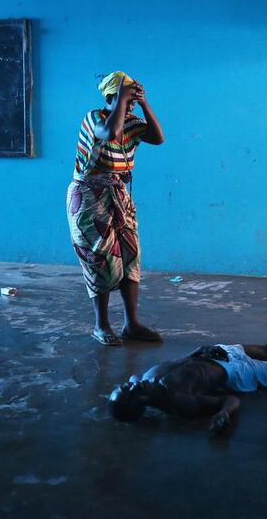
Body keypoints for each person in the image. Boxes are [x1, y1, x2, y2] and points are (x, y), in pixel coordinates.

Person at [107, 319, 267, 433]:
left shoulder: (148, 377)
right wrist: (225, 413)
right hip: (238, 373)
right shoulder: (181, 402)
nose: (133, 383)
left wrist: (200, 351)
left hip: (217, 355)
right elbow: (229, 400)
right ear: (141, 404)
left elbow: (183, 361)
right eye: (133, 391)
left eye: (127, 385)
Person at [67, 71, 165, 346]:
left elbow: (158, 138)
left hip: (118, 194)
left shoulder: (132, 121)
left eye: (133, 98)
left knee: (130, 255)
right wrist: (122, 97)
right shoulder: (94, 118)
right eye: (127, 97)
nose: (131, 103)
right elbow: (110, 133)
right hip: (89, 195)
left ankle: (131, 324)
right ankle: (101, 325)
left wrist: (145, 105)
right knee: (99, 256)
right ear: (111, 97)